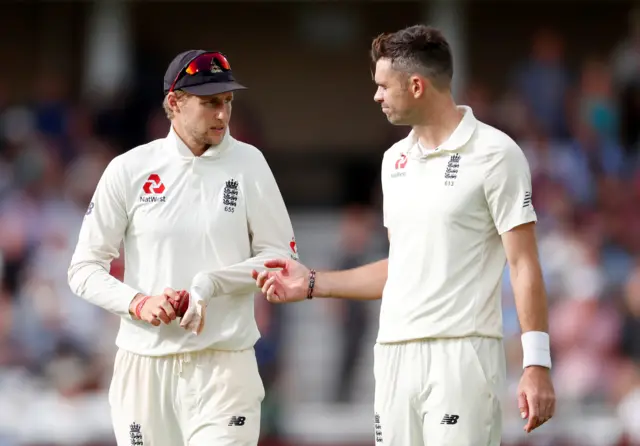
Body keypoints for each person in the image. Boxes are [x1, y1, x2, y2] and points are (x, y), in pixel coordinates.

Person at [252, 25, 556, 445]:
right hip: (394, 354)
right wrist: (312, 283)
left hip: (461, 355)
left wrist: (536, 363)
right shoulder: (393, 160)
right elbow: (403, 268)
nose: (376, 95)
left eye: (382, 86)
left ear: (416, 85)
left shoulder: (496, 154)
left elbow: (523, 263)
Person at [68, 49, 298, 446]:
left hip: (225, 365)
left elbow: (282, 261)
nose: (223, 115)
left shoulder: (249, 164)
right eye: (210, 103)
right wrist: (139, 302)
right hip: (144, 366)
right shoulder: (129, 169)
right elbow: (84, 269)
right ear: (174, 103)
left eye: (227, 102)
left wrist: (210, 284)